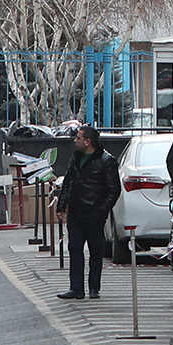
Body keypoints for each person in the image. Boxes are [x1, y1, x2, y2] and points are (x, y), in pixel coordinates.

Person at [52, 124, 119, 301]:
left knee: (96, 250)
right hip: (76, 211)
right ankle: (76, 288)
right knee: (74, 247)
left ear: (88, 141)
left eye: (79, 138)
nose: (75, 141)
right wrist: (62, 206)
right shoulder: (76, 158)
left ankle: (94, 287)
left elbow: (114, 190)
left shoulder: (106, 161)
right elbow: (68, 182)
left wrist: (101, 210)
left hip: (94, 212)